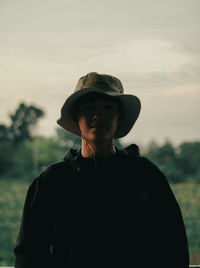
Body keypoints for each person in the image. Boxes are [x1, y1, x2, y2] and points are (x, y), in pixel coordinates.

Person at [14, 72, 189, 268]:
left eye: (108, 108)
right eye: (89, 108)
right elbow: (29, 256)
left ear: (119, 118)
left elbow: (174, 249)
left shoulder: (146, 176)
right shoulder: (51, 182)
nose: (99, 116)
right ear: (76, 117)